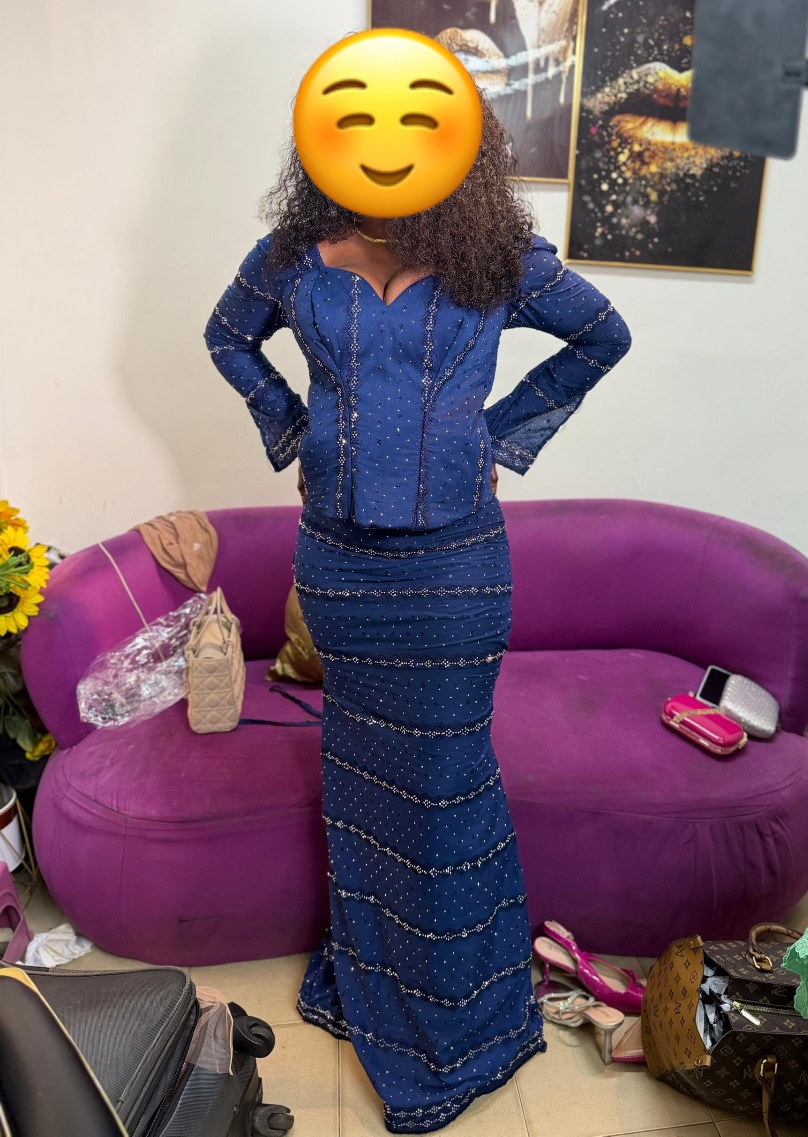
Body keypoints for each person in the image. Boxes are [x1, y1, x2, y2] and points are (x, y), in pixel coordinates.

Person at [204, 91, 631, 1134]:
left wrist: (502, 436)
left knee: (446, 783)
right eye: (358, 122)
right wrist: (292, 428)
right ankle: (371, 977)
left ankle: (458, 1012)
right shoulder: (294, 256)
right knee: (360, 778)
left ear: (459, 144)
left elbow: (602, 335)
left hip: (455, 571)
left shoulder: (498, 258)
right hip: (340, 568)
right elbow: (227, 338)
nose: (385, 144)